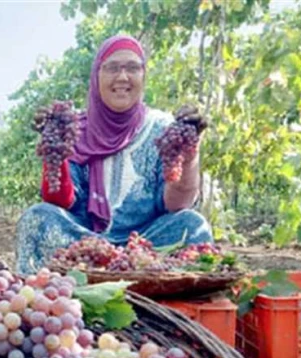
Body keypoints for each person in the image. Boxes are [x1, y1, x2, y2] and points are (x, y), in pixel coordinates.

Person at [15, 35, 213, 275]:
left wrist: (190, 155)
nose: (122, 77)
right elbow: (61, 200)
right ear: (96, 77)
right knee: (36, 218)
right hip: (83, 243)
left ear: (143, 76)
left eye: (132, 68)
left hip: (147, 245)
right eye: (111, 68)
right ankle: (43, 297)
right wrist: (53, 151)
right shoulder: (75, 127)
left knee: (193, 225)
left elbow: (177, 204)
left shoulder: (162, 128)